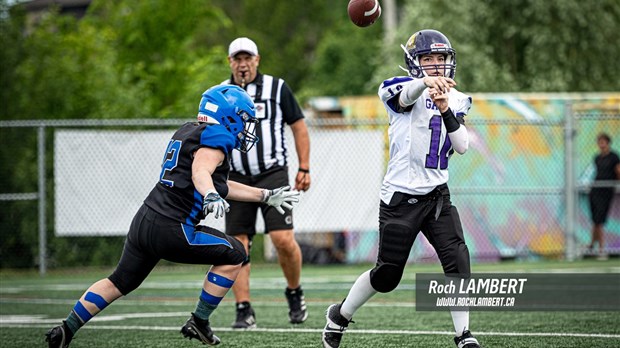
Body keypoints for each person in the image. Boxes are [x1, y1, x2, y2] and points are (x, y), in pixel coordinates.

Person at [44, 85, 300, 348]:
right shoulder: (218, 136)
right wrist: (210, 195)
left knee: (119, 281)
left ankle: (66, 329)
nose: (246, 127)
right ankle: (199, 321)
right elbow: (200, 172)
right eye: (244, 119)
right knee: (236, 253)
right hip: (172, 227)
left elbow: (220, 183)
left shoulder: (189, 129)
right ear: (229, 115)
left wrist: (265, 195)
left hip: (145, 220)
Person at [322, 29, 481, 348]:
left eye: (441, 58)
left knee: (458, 259)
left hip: (436, 195)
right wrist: (425, 85)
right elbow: (405, 97)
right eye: (428, 59)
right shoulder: (396, 89)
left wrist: (445, 107)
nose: (436, 65)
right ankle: (339, 316)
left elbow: (461, 145)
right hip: (400, 199)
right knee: (387, 276)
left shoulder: (458, 98)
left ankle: (464, 335)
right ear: (414, 63)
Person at [221, 37, 311, 328]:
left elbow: (298, 126)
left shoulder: (277, 88)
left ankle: (295, 292)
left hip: (272, 172)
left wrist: (304, 167)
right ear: (230, 62)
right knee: (238, 245)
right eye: (237, 59)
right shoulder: (221, 93)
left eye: (247, 58)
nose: (242, 64)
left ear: (257, 60)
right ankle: (243, 308)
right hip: (236, 176)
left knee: (282, 239)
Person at [588, 132, 620, 260]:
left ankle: (601, 249)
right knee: (595, 220)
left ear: (608, 142)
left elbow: (618, 171)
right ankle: (591, 245)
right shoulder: (597, 158)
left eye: (603, 142)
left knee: (599, 220)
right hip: (595, 190)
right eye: (599, 142)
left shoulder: (614, 157)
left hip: (606, 191)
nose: (601, 144)